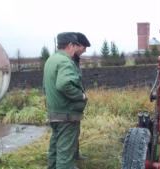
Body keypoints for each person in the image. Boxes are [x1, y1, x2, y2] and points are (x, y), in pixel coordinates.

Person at [43, 32, 88, 169]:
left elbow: (45, 86)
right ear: (70, 45)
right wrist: (81, 96)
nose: (76, 49)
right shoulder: (65, 61)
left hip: (54, 111)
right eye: (75, 46)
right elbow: (63, 84)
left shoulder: (52, 59)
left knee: (55, 146)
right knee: (65, 152)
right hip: (66, 113)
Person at [72, 32, 91, 160]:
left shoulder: (75, 60)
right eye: (83, 48)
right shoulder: (67, 61)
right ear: (76, 45)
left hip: (77, 101)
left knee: (75, 130)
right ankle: (68, 160)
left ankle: (75, 154)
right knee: (69, 132)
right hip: (70, 101)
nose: (84, 51)